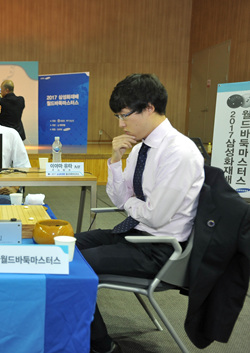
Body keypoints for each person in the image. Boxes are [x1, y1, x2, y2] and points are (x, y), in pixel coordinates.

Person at [75, 74, 204, 353]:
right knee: (65, 246)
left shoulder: (179, 152)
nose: (120, 124)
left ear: (148, 108)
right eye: (118, 116)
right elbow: (120, 198)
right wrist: (114, 161)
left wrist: (131, 204)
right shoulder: (140, 147)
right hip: (135, 233)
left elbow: (153, 215)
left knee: (74, 266)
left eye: (124, 115)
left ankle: (101, 345)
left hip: (161, 250)